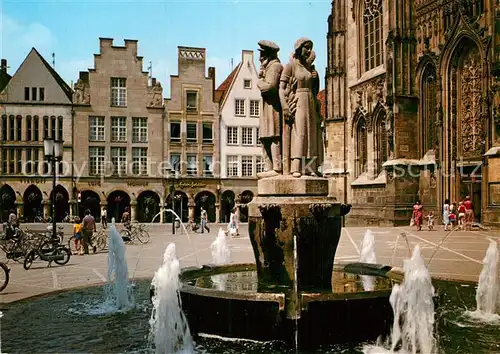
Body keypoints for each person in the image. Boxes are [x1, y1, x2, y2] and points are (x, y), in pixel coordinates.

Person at [279, 37, 323, 177]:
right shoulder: (290, 66)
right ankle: (296, 167)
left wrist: (316, 78)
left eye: (310, 48)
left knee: (311, 134)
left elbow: (315, 89)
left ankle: (310, 168)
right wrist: (285, 106)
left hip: (310, 100)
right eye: (306, 47)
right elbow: (281, 88)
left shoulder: (309, 68)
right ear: (299, 48)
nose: (309, 50)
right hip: (298, 100)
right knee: (300, 132)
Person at [256, 39, 284, 178]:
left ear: (268, 55)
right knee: (265, 138)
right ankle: (269, 168)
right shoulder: (267, 68)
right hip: (266, 108)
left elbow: (269, 87)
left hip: (274, 108)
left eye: (262, 55)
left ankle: (277, 167)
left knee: (274, 137)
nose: (260, 58)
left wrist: (258, 81)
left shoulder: (276, 67)